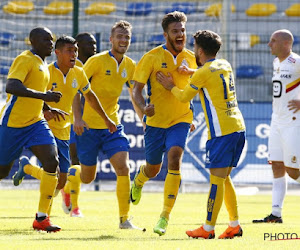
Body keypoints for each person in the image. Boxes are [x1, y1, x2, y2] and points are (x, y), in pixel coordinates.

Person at [12, 35, 116, 216]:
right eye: (69, 50)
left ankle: (27, 168)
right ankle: (43, 216)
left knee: (61, 180)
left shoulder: (79, 72)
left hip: (63, 130)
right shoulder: (46, 71)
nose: (74, 54)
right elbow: (35, 95)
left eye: (75, 51)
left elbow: (89, 96)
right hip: (43, 127)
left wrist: (106, 119)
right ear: (57, 53)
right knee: (53, 170)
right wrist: (44, 110)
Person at [157, 30, 245, 239]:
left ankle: (207, 228)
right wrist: (191, 72)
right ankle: (234, 225)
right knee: (224, 179)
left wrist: (170, 86)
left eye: (195, 47)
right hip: (238, 127)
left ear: (200, 50)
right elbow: (207, 74)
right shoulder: (224, 64)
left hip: (221, 132)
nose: (193, 50)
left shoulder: (202, 73)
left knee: (216, 180)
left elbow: (184, 96)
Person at [70, 20, 144, 229]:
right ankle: (70, 178)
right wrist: (77, 118)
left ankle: (124, 220)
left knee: (123, 167)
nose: (123, 40)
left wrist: (144, 122)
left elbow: (134, 95)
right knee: (86, 178)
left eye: (127, 37)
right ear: (111, 39)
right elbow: (77, 90)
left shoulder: (130, 65)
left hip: (113, 126)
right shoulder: (96, 61)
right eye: (119, 36)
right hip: (88, 128)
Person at [130, 11, 197, 236]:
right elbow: (136, 90)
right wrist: (143, 109)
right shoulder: (151, 57)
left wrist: (192, 114)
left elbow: (202, 84)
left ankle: (164, 217)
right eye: (175, 31)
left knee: (175, 159)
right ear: (166, 34)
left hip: (181, 119)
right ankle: (139, 180)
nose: (180, 35)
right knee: (153, 168)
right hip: (156, 122)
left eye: (182, 31)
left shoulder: (191, 58)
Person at [0, 27, 65, 232]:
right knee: (1, 171)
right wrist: (45, 97)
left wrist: (46, 107)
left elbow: (31, 90)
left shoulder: (42, 64)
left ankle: (42, 218)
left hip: (36, 123)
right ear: (33, 41)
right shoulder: (25, 59)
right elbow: (12, 87)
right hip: (13, 124)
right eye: (46, 39)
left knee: (51, 161)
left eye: (52, 39)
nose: (51, 43)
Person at [253, 29, 300, 224]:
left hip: (293, 121)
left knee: (294, 171)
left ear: (286, 44)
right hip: (276, 120)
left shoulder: (296, 61)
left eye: (273, 41)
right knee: (277, 166)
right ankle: (275, 214)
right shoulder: (275, 62)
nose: (269, 44)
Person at [60, 33, 97, 217]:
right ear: (79, 47)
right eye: (90, 43)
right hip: (71, 121)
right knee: (73, 161)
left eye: (95, 43)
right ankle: (74, 206)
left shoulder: (96, 63)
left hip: (89, 122)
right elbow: (75, 94)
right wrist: (77, 118)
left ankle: (67, 189)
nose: (94, 46)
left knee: (79, 165)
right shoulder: (75, 67)